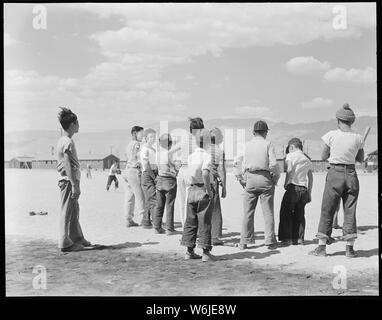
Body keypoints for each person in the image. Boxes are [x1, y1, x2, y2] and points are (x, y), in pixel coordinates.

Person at [310, 104, 364, 258]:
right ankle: (349, 249)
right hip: (351, 174)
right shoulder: (358, 137)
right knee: (350, 210)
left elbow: (322, 156)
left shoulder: (331, 135)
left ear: (338, 120)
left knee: (328, 208)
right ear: (352, 121)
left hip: (335, 173)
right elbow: (360, 159)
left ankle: (321, 248)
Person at [233, 120, 280, 250]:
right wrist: (275, 178)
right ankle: (270, 241)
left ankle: (244, 241)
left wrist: (240, 178)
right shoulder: (268, 144)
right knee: (268, 212)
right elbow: (274, 164)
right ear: (265, 132)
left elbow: (237, 162)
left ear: (253, 132)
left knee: (248, 212)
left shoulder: (246, 145)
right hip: (265, 178)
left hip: (250, 178)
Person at [56, 107, 92, 252]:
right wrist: (73, 184)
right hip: (68, 181)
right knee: (67, 211)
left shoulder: (65, 140)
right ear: (72, 125)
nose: (78, 125)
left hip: (70, 181)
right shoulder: (67, 142)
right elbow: (67, 164)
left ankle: (76, 237)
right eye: (77, 123)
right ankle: (65, 242)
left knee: (74, 210)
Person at [181, 129, 216, 262]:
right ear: (207, 142)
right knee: (204, 222)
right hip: (202, 189)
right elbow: (206, 173)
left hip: (192, 189)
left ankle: (189, 251)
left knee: (190, 222)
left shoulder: (191, 156)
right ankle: (206, 253)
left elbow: (188, 173)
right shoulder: (207, 156)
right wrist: (209, 190)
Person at [278, 138, 313, 246]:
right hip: (303, 188)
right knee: (300, 214)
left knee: (286, 213)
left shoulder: (291, 155)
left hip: (293, 187)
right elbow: (310, 178)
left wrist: (286, 182)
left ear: (292, 147)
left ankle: (287, 239)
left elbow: (289, 170)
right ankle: (299, 238)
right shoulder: (307, 159)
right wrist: (309, 193)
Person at [176, 117, 205, 229]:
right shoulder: (198, 141)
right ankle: (192, 229)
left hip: (181, 171)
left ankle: (185, 229)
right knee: (192, 203)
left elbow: (175, 156)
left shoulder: (184, 139)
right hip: (190, 171)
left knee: (182, 202)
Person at [154, 133, 181, 235]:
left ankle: (157, 227)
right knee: (169, 205)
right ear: (169, 143)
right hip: (169, 180)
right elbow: (174, 167)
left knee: (159, 205)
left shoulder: (157, 153)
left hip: (160, 179)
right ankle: (169, 229)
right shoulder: (169, 154)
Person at [123, 126, 145, 228]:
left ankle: (128, 219)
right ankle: (144, 218)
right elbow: (140, 157)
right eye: (141, 133)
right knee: (140, 195)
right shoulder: (137, 144)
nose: (143, 135)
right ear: (135, 133)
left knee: (129, 196)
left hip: (127, 170)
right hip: (134, 170)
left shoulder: (128, 145)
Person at [209, 128, 227, 246]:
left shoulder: (203, 149)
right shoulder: (219, 151)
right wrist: (224, 186)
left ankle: (203, 234)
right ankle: (215, 236)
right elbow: (221, 169)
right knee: (215, 209)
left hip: (200, 180)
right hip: (212, 181)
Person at [140, 128, 158, 228]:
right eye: (151, 136)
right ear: (146, 138)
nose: (153, 138)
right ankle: (156, 223)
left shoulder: (153, 149)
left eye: (154, 136)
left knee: (149, 199)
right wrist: (154, 177)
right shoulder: (144, 149)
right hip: (147, 175)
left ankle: (146, 221)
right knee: (153, 199)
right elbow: (146, 165)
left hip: (154, 172)